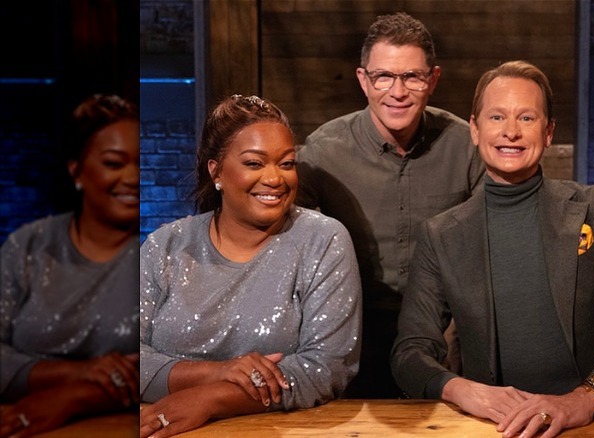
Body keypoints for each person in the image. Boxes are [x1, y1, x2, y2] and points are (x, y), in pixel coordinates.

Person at [391, 60, 594, 438]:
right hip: (495, 428)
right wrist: (462, 390)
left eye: (526, 118)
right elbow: (409, 351)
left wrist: (586, 398)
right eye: (496, 117)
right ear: (474, 129)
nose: (510, 132)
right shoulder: (441, 234)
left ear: (549, 130)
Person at [139, 95, 362, 437]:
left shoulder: (323, 240)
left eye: (286, 163)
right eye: (255, 164)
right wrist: (215, 373)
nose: (274, 178)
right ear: (217, 171)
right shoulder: (164, 245)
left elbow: (325, 368)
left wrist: (211, 399)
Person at [295, 11, 484, 398]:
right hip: (349, 338)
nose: (397, 92)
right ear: (363, 80)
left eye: (412, 77)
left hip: (442, 338)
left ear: (432, 79)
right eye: (384, 76)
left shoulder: (467, 146)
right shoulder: (322, 153)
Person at [0, 94, 141, 436]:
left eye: (142, 161)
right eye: (114, 163)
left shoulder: (160, 251)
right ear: (76, 169)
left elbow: (166, 363)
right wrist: (75, 373)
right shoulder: (28, 245)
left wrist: (74, 398)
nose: (133, 177)